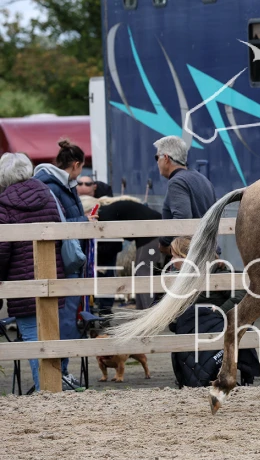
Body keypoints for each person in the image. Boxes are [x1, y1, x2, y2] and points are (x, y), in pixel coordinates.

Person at [0, 153, 67, 392]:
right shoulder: (48, 196)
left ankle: (47, 391)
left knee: (32, 338)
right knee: (52, 336)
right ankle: (56, 387)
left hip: (22, 282)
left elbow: (2, 250)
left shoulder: (3, 204)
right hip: (53, 278)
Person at [33, 139, 96, 384]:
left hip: (57, 258)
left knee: (60, 316)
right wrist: (84, 221)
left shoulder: (54, 183)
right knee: (66, 317)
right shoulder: (56, 186)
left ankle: (58, 371)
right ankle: (62, 371)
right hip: (63, 260)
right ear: (77, 164)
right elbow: (55, 223)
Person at [166, 236, 260, 388]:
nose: (171, 260)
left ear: (186, 258)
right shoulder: (176, 277)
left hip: (215, 325)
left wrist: (219, 311)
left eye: (174, 256)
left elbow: (242, 293)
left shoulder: (217, 271)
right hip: (194, 327)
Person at [79, 195, 162, 317]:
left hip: (152, 230)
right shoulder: (107, 210)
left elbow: (115, 245)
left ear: (89, 210)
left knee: (142, 272)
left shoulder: (105, 215)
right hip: (149, 230)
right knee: (140, 272)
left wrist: (95, 255)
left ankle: (148, 315)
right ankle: (142, 313)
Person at [153, 136, 217, 256]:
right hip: (209, 252)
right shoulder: (203, 179)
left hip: (190, 255)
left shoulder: (176, 182)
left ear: (166, 158)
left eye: (157, 157)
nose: (157, 162)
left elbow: (182, 219)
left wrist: (164, 243)